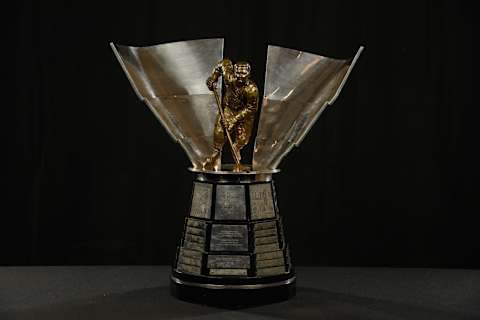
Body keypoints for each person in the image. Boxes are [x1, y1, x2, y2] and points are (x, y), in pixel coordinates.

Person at [203, 59, 259, 171]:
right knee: (219, 131)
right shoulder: (229, 77)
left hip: (244, 114)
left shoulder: (252, 89)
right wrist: (213, 78)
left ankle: (237, 152)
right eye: (238, 74)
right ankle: (215, 155)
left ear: (248, 74)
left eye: (244, 74)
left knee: (242, 139)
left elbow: (251, 108)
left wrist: (234, 120)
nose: (240, 77)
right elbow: (222, 64)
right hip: (229, 109)